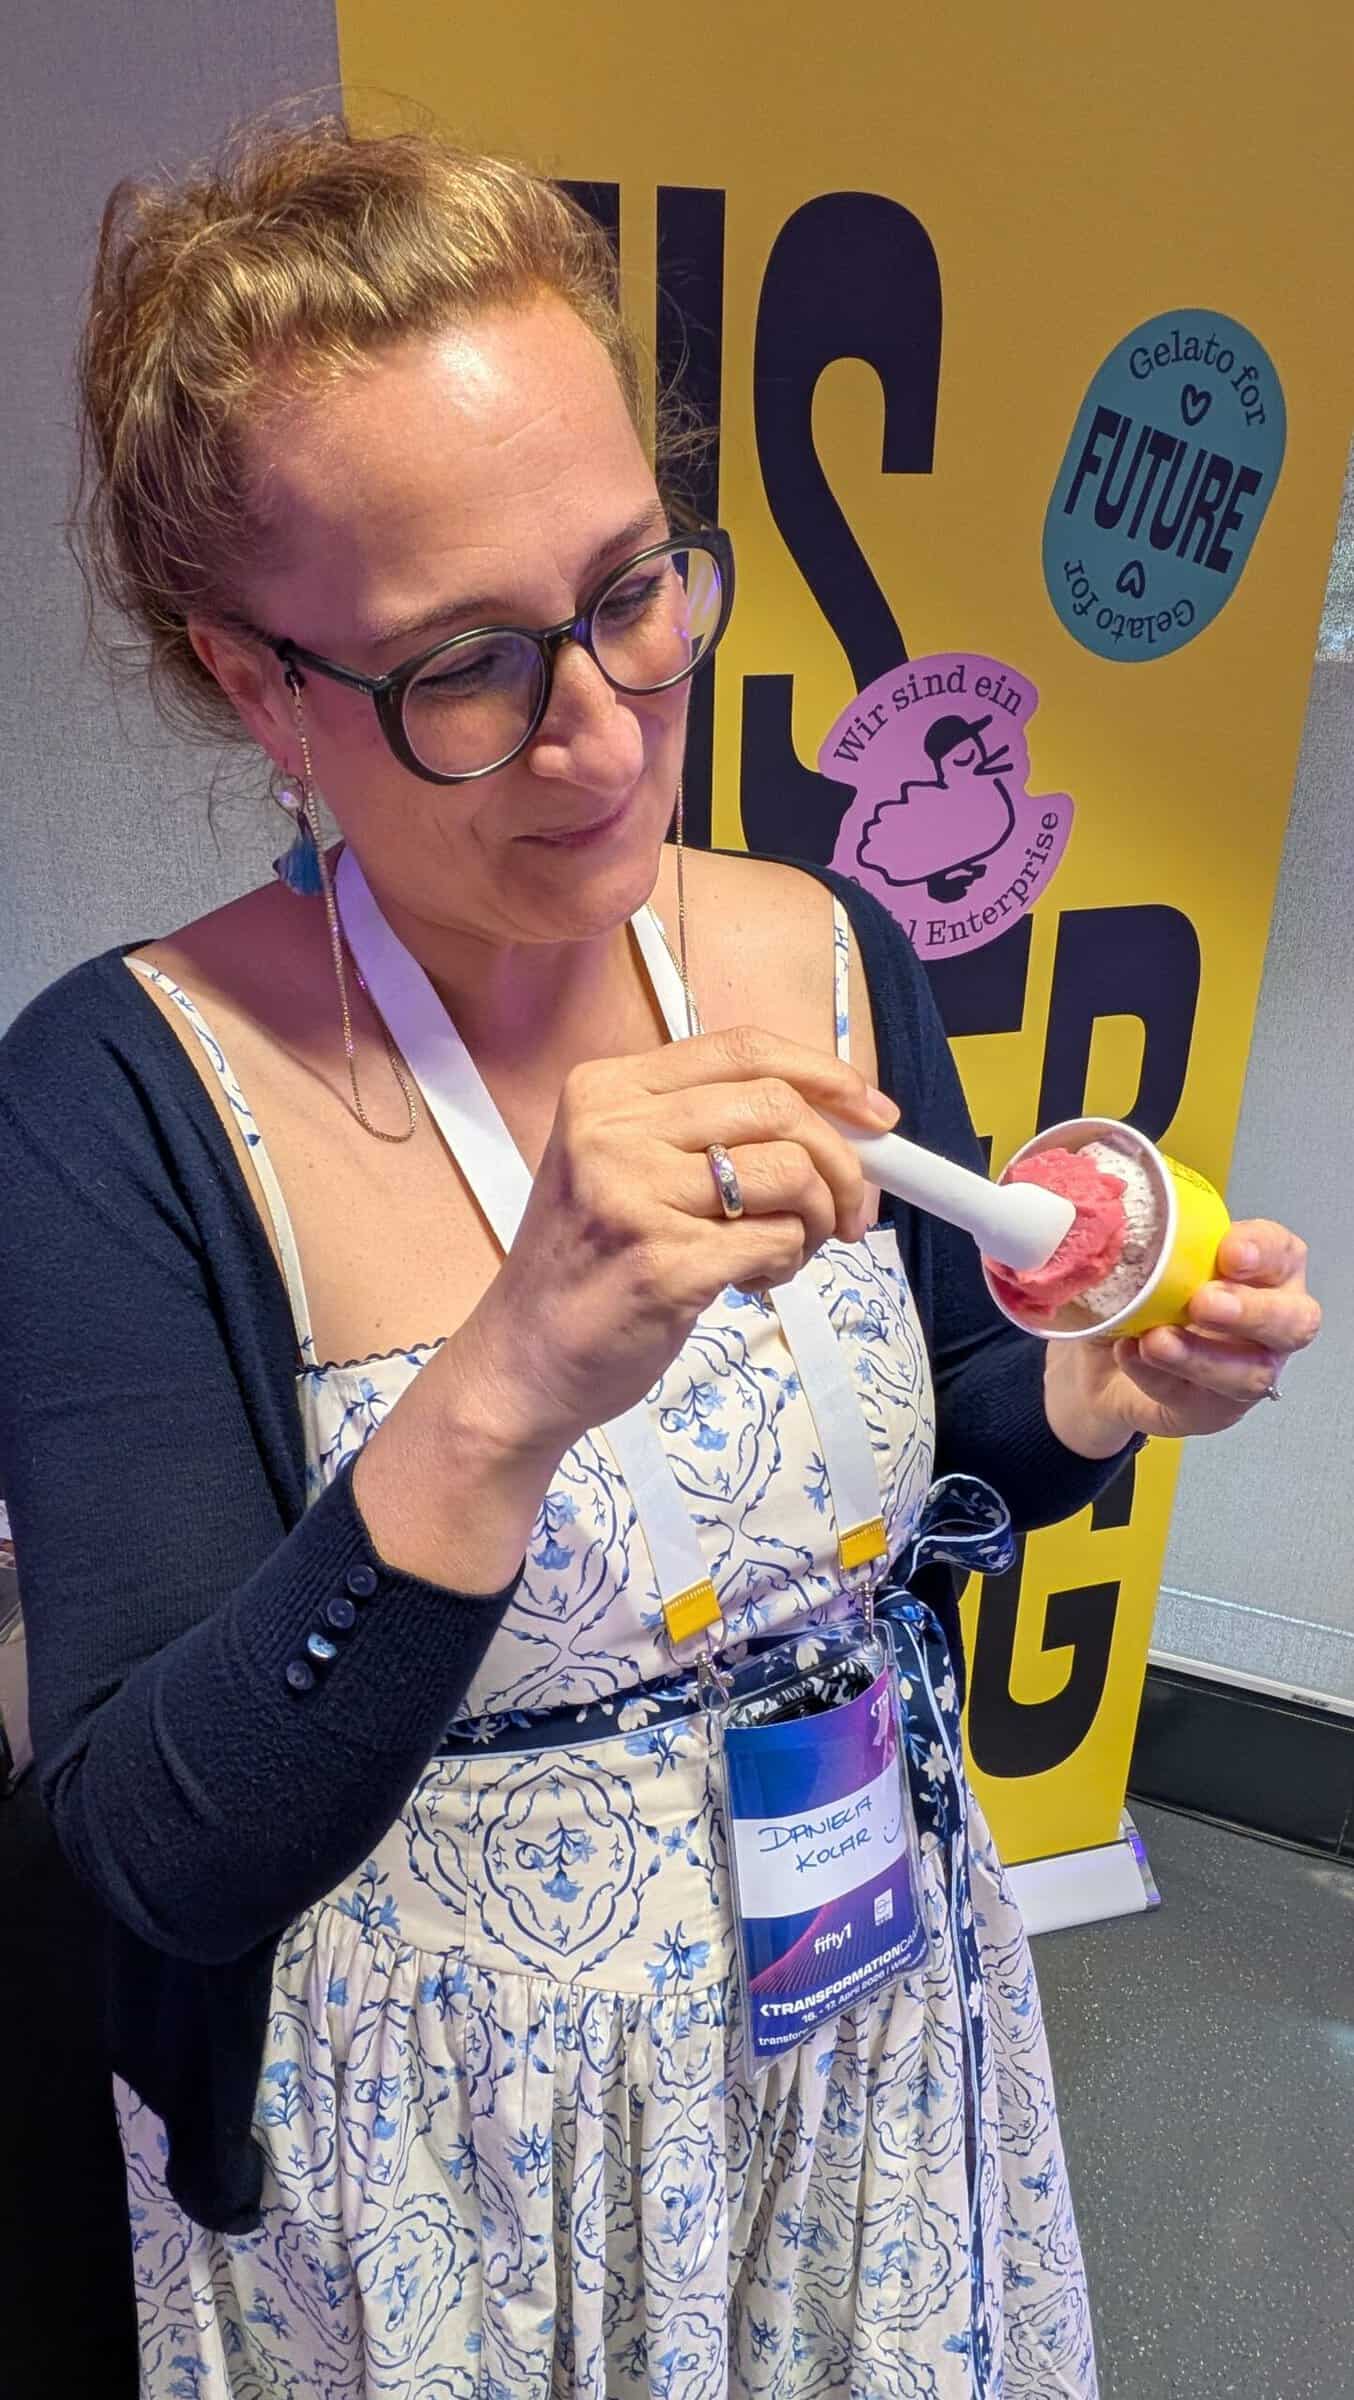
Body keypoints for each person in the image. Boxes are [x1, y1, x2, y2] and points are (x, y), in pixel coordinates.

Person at [0, 112, 1320, 2400]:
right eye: (465, 666)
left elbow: (887, 1486)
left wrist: (1092, 1396)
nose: (603, 733)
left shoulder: (817, 948)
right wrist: (502, 1384)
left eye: (630, 587)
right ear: (260, 684)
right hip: (448, 2168)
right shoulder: (123, 1101)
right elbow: (151, 1852)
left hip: (861, 2046)